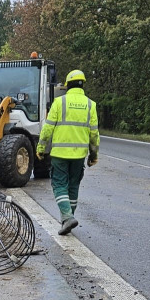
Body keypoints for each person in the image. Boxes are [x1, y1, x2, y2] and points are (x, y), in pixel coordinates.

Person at [36, 69, 99, 235]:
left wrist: (41, 148)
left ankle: (67, 216)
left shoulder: (60, 102)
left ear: (67, 85)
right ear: (82, 84)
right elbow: (94, 134)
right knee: (73, 186)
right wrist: (93, 155)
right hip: (79, 156)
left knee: (59, 185)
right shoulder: (90, 105)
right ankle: (67, 219)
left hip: (60, 154)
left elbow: (48, 128)